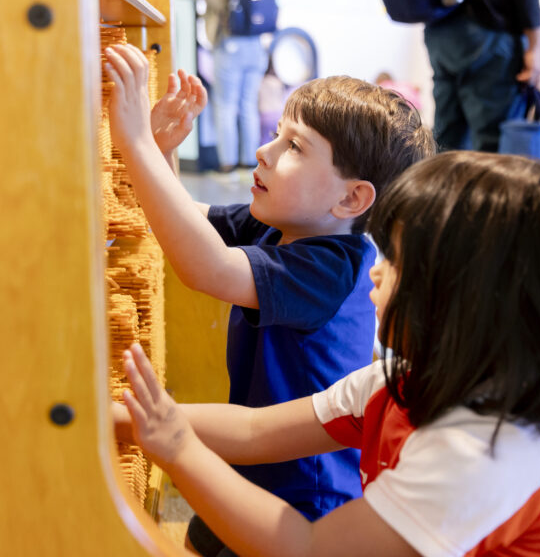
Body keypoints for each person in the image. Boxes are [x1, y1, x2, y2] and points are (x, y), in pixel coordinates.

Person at [115, 151, 540, 556]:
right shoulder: (397, 381)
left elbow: (309, 548)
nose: (376, 271)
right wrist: (126, 418)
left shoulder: (485, 449)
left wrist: (176, 448)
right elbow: (254, 430)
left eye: (398, 260)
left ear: (462, 302)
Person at [104, 42, 434, 555]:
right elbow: (185, 222)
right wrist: (163, 149)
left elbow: (206, 267)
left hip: (303, 496)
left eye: (295, 147)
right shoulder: (276, 221)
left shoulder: (332, 266)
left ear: (351, 198)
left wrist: (136, 145)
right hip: (247, 459)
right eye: (278, 133)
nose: (265, 150)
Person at [423, 0, 540, 152]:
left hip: (439, 28)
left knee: (446, 140)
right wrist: (535, 44)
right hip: (487, 27)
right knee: (493, 144)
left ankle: (442, 183)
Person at [176, 0, 269, 173]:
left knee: (226, 105)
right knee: (248, 105)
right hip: (255, 48)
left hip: (230, 48)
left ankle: (227, 163)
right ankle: (249, 161)